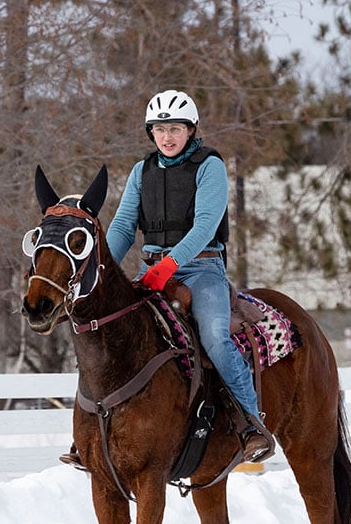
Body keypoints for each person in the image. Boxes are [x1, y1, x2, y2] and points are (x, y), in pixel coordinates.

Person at [105, 89, 271, 462]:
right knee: (108, 331)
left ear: (191, 130)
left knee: (214, 336)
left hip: (201, 268)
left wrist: (169, 266)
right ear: (151, 132)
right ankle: (95, 432)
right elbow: (122, 226)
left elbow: (205, 226)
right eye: (160, 128)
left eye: (175, 128)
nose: (167, 136)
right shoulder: (141, 171)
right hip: (152, 270)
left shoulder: (209, 165)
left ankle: (250, 422)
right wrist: (103, 270)